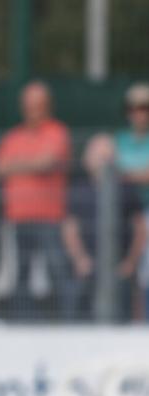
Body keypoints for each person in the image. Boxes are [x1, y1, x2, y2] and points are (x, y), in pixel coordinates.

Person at [0, 81, 71, 321]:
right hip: (18, 217)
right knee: (20, 275)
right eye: (29, 106)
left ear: (48, 106)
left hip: (49, 216)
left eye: (38, 105)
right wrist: (32, 163)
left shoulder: (57, 132)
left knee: (58, 270)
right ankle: (23, 322)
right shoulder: (13, 136)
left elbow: (47, 162)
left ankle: (69, 321)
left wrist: (17, 165)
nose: (34, 111)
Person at [62, 135, 146, 322]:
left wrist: (130, 262)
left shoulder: (127, 189)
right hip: (88, 267)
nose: (103, 163)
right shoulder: (78, 190)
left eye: (107, 157)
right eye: (99, 157)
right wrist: (80, 259)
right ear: (87, 160)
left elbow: (140, 228)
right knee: (79, 313)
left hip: (120, 267)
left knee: (124, 312)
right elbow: (70, 229)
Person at [114, 83, 149, 318]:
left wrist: (125, 174)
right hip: (122, 213)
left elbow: (116, 173)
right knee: (126, 269)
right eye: (134, 107)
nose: (139, 113)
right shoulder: (119, 140)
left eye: (144, 107)